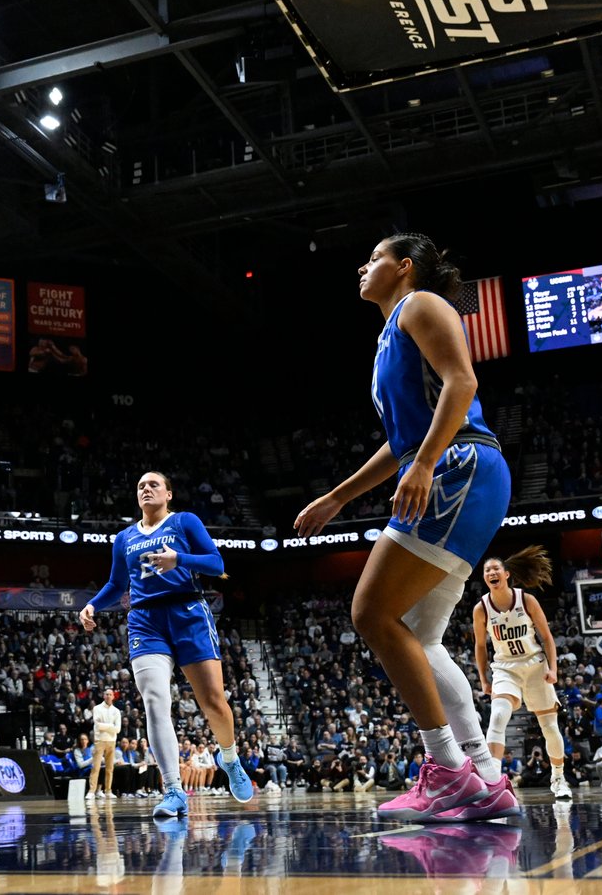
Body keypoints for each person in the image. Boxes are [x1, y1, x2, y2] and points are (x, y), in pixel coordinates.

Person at [295, 233, 515, 823]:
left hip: (458, 464)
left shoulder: (421, 304)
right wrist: (338, 497)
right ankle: (486, 776)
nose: (362, 267)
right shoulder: (389, 332)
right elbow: (400, 443)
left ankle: (447, 771)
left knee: (370, 614)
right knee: (419, 635)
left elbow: (462, 383)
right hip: (460, 467)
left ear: (405, 267)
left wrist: (424, 463)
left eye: (375, 258)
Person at [78, 471, 255, 820]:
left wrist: (180, 560)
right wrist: (94, 604)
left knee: (214, 703)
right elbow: (117, 583)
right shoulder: (124, 538)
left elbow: (217, 564)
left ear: (168, 494)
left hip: (188, 611)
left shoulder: (185, 522)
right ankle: (173, 790)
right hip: (145, 620)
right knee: (155, 701)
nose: (146, 489)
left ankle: (230, 758)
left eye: (153, 484)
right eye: (141, 486)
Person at [472, 546, 570, 801]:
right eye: (487, 570)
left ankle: (558, 777)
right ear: (485, 578)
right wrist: (483, 679)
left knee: (549, 727)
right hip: (505, 668)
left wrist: (553, 669)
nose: (491, 572)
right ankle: (493, 780)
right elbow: (480, 646)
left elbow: (547, 638)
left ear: (506, 574)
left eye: (495, 569)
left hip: (535, 665)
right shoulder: (481, 608)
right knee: (498, 716)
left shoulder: (526, 600)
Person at [87, 688, 121, 800]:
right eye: (106, 694)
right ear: (103, 696)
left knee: (110, 768)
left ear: (113, 696)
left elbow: (118, 729)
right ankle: (92, 791)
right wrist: (111, 726)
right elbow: (98, 725)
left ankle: (108, 791)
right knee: (95, 767)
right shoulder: (97, 708)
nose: (108, 696)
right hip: (99, 740)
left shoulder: (116, 711)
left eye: (110, 694)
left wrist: (107, 726)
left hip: (112, 741)